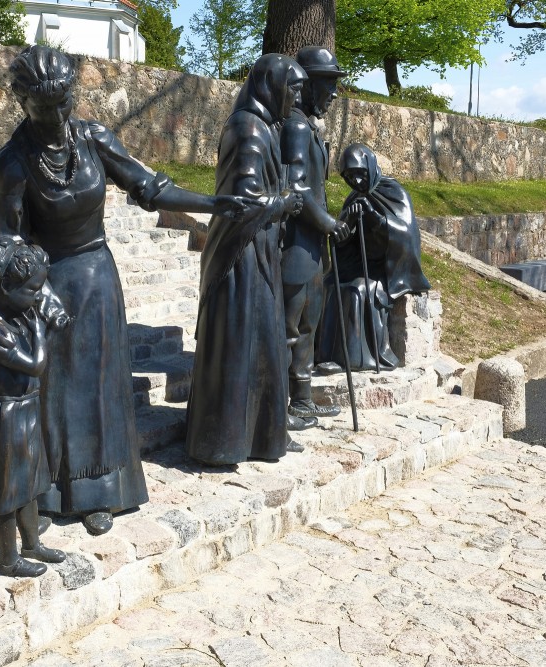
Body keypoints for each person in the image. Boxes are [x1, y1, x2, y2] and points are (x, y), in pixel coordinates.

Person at [0, 45, 257, 535]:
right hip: (45, 279)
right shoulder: (13, 163)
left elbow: (149, 188)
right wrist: (35, 294)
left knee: (98, 385)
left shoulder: (92, 139)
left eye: (64, 103)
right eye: (43, 108)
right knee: (54, 388)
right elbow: (8, 240)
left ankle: (101, 491)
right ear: (23, 103)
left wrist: (214, 202)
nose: (56, 116)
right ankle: (47, 490)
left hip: (95, 277)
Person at [185, 53, 308, 466]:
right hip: (241, 258)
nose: (297, 98)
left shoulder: (264, 126)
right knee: (242, 347)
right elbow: (243, 201)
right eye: (293, 88)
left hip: (259, 251)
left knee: (265, 346)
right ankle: (225, 441)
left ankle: (263, 436)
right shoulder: (248, 129)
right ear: (273, 86)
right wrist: (285, 201)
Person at [0, 238, 67, 577]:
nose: (38, 297)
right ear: (4, 289)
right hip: (5, 416)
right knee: (8, 492)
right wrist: (41, 332)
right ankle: (8, 559)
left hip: (26, 410)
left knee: (30, 485)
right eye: (31, 291)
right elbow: (35, 364)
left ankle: (31, 544)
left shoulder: (18, 316)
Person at [280, 46, 352, 420]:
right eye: (328, 84)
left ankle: (303, 399)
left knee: (308, 323)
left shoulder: (306, 125)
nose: (334, 93)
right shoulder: (294, 126)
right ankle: (280, 405)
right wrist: (328, 223)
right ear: (307, 85)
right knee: (290, 325)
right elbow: (296, 189)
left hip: (312, 246)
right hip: (295, 242)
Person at [315, 143, 431, 372]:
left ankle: (355, 359)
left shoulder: (394, 192)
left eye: (360, 174)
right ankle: (324, 354)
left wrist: (374, 218)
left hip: (389, 269)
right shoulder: (353, 199)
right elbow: (342, 246)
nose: (356, 182)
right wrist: (347, 224)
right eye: (349, 177)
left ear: (371, 166)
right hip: (361, 264)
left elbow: (406, 236)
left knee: (358, 290)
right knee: (329, 284)